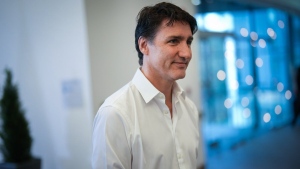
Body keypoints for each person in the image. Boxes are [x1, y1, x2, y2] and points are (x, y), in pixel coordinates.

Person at [92, 2, 199, 169]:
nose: (186, 53)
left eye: (188, 42)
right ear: (144, 45)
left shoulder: (189, 108)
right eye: (173, 41)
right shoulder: (115, 114)